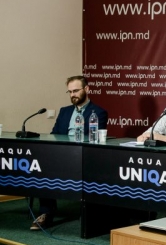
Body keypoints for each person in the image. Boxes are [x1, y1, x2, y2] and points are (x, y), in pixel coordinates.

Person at [31, 75, 108, 230]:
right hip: (61, 155)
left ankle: (90, 213)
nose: (73, 95)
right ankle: (46, 213)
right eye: (70, 92)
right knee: (41, 167)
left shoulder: (98, 112)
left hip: (83, 157)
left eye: (76, 91)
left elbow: (93, 140)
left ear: (86, 89)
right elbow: (55, 134)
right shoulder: (64, 111)